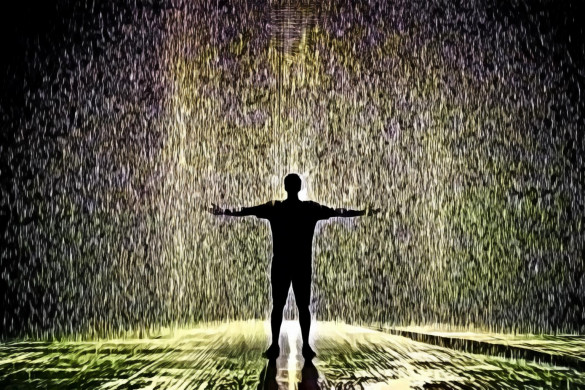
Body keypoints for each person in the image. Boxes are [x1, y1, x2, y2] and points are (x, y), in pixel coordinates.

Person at [210, 173, 379, 360]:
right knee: (303, 306)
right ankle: (306, 347)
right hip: (302, 264)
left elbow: (245, 211)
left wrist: (224, 211)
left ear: (285, 187)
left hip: (281, 263)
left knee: (278, 306)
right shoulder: (310, 208)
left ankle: (274, 346)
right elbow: (338, 212)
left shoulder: (275, 208)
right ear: (300, 188)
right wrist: (363, 212)